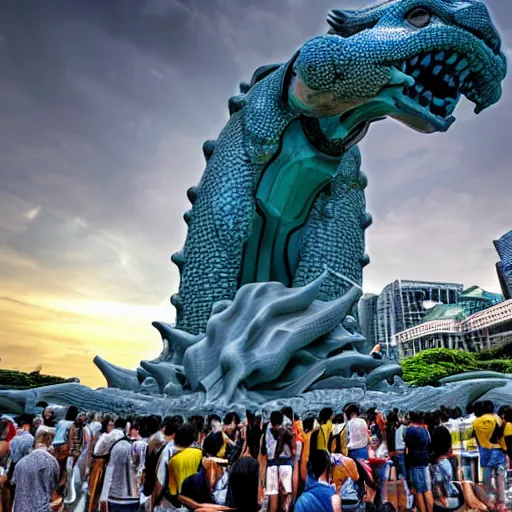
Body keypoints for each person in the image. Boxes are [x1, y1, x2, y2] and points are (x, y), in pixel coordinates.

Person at [11, 431, 59, 512]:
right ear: (50, 445)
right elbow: (52, 487)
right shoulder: (52, 462)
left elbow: (14, 483)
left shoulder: (20, 463)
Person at [472, 400, 507, 510]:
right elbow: (501, 436)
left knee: (486, 479)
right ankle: (501, 502)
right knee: (499, 478)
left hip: (485, 452)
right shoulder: (497, 418)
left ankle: (489, 502)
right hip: (498, 451)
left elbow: (476, 438)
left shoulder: (476, 422)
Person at [262, 411, 294, 512]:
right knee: (287, 494)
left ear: (271, 421)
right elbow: (292, 448)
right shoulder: (286, 431)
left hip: (271, 465)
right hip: (285, 464)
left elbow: (263, 450)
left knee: (273, 494)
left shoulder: (267, 432)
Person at [167, 423, 203, 504]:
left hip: (184, 501)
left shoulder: (173, 460)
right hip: (202, 500)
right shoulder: (200, 453)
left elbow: (173, 491)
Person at [404, 411, 433, 512]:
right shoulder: (424, 430)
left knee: (419, 491)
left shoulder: (410, 431)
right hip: (425, 462)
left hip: (415, 463)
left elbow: (407, 448)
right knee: (427, 489)